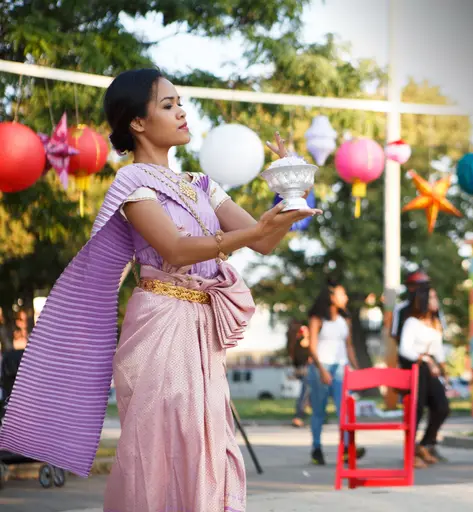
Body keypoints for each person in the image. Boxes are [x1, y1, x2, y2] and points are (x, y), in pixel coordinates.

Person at [0, 69, 320, 512]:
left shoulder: (202, 184)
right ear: (137, 122)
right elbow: (175, 248)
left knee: (209, 442)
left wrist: (290, 189)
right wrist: (247, 234)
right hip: (159, 324)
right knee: (160, 447)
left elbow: (263, 240)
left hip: (201, 330)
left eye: (180, 102)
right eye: (168, 105)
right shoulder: (132, 184)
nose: (182, 112)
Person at [307, 278, 364, 465]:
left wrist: (356, 368)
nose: (345, 297)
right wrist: (322, 371)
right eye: (342, 294)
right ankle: (316, 448)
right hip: (321, 367)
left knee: (344, 409)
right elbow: (312, 348)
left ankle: (347, 448)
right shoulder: (317, 319)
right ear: (331, 297)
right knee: (319, 411)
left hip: (341, 367)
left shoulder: (344, 320)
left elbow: (349, 347)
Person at [398, 284, 450, 467]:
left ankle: (425, 443)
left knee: (442, 407)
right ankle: (410, 451)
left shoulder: (436, 324)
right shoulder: (412, 322)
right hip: (416, 368)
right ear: (423, 301)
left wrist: (444, 370)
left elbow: (439, 350)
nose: (436, 301)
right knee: (416, 408)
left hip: (431, 369)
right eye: (432, 297)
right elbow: (404, 349)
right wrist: (426, 360)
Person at [288, 323, 311, 428]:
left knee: (308, 393)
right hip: (306, 371)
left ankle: (303, 415)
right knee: (305, 393)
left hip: (301, 370)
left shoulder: (296, 343)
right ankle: (298, 416)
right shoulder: (304, 342)